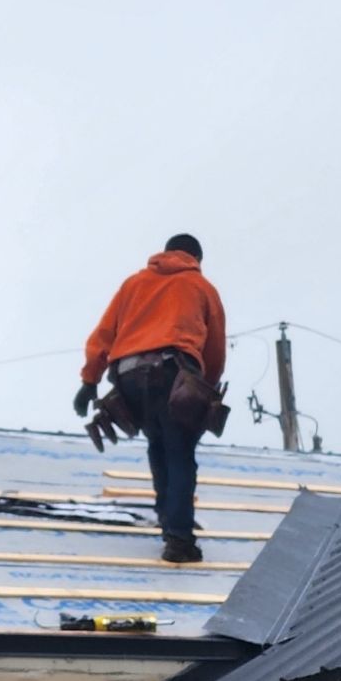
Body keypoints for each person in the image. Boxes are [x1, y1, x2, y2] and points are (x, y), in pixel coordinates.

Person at [76, 236, 227, 563]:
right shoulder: (200, 287)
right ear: (196, 258)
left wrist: (90, 381)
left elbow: (104, 334)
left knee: (158, 445)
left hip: (128, 377)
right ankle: (180, 539)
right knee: (180, 451)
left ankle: (169, 519)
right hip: (173, 373)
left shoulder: (134, 284)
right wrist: (205, 391)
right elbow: (214, 350)